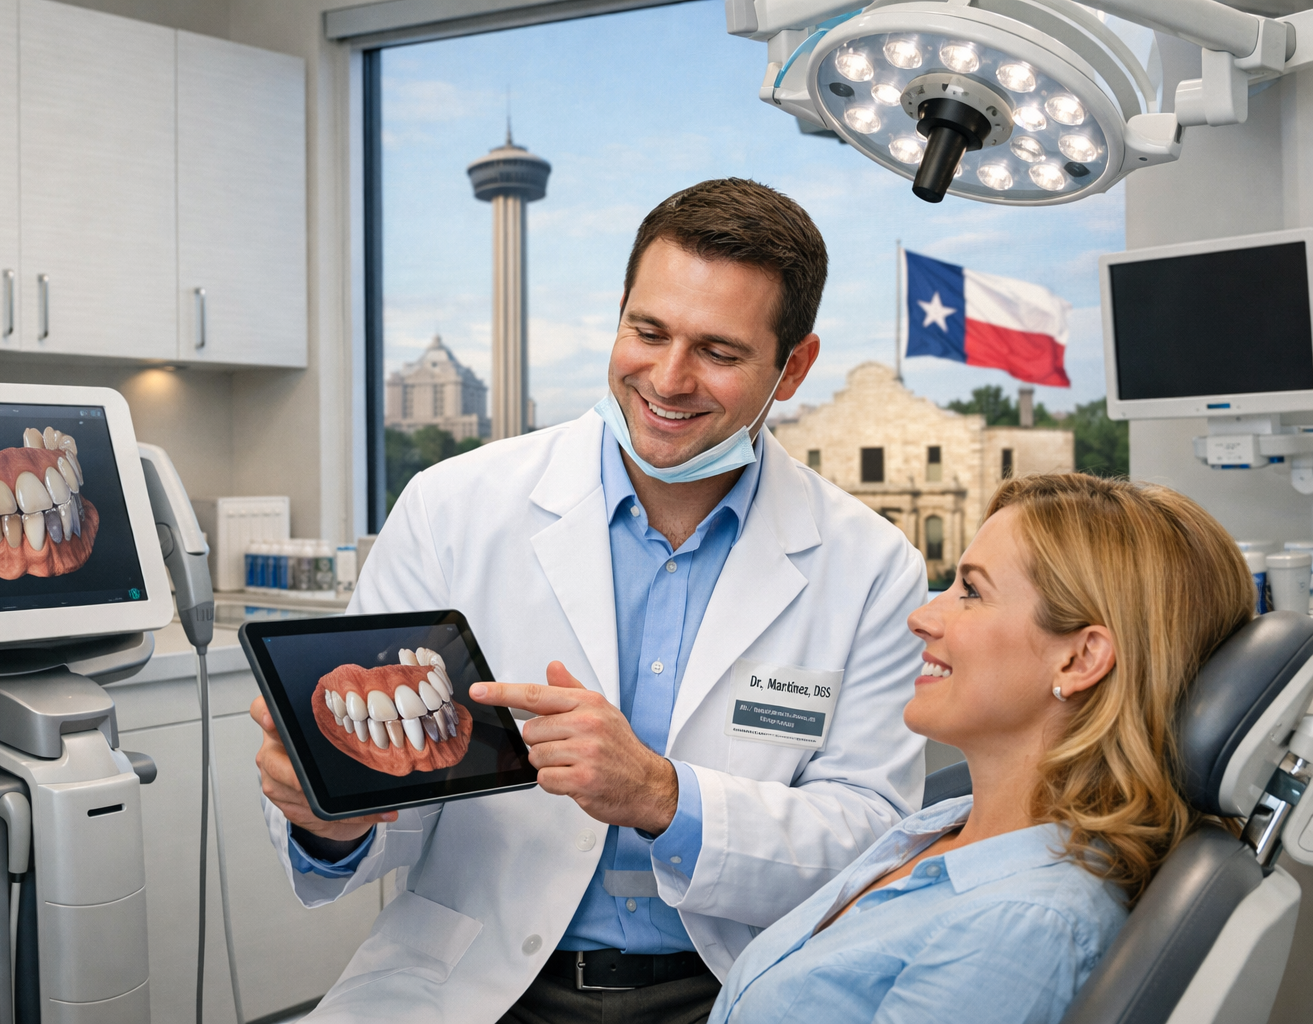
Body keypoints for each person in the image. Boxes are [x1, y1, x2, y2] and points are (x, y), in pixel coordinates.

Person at [250, 178, 929, 1023]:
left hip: (732, 983)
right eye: (647, 332)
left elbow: (871, 838)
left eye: (718, 352)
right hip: (479, 975)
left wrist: (663, 796)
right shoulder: (451, 508)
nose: (668, 379)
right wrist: (333, 822)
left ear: (792, 367)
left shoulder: (869, 566)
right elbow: (394, 808)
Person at [709, 473, 1255, 1024]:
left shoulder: (1025, 926)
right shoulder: (947, 825)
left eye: (971, 592)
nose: (921, 618)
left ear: (1080, 660)